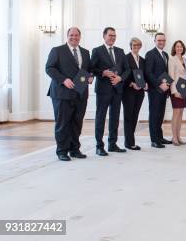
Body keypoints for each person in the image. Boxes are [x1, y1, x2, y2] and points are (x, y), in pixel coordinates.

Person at [45, 27, 94, 161]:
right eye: (71, 35)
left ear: (80, 37)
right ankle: (62, 151)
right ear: (67, 36)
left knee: (77, 123)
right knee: (63, 123)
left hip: (81, 93)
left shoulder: (85, 52)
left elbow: (89, 70)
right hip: (62, 93)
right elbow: (49, 68)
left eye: (77, 35)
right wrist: (63, 80)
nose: (74, 37)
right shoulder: (57, 50)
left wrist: (91, 77)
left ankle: (74, 149)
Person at [90, 27, 130, 156]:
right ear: (104, 36)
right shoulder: (97, 51)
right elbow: (91, 68)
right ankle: (99, 146)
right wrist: (102, 72)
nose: (112, 37)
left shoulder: (120, 51)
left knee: (115, 118)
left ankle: (112, 144)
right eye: (110, 35)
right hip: (103, 90)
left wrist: (120, 78)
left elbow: (127, 69)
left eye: (114, 35)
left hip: (117, 89)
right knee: (100, 118)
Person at [144, 32, 172, 148]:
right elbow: (148, 73)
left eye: (163, 40)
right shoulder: (150, 54)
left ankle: (160, 137)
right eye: (159, 40)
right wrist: (159, 84)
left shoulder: (165, 54)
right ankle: (154, 140)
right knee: (154, 114)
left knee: (160, 114)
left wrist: (167, 86)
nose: (161, 42)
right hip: (155, 90)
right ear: (155, 41)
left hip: (164, 90)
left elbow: (166, 72)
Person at [122, 37, 147, 150]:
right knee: (128, 116)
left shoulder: (142, 60)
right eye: (134, 45)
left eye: (138, 45)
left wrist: (145, 84)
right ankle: (129, 142)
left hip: (140, 92)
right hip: (128, 91)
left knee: (135, 116)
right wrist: (132, 83)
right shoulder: (125, 58)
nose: (136, 47)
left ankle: (130, 140)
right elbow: (123, 74)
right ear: (130, 46)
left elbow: (143, 75)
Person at [168, 40, 186, 146]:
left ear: (183, 48)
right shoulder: (172, 59)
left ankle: (179, 136)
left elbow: (185, 75)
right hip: (176, 89)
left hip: (184, 89)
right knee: (176, 113)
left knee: (181, 113)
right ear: (174, 48)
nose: (179, 48)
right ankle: (174, 137)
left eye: (181, 46)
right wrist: (174, 91)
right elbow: (171, 77)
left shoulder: (184, 59)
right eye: (177, 46)